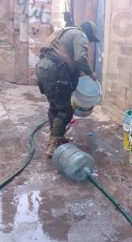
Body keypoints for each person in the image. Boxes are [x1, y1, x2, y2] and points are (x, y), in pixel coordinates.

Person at [36, 20, 99, 159]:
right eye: (90, 38)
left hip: (42, 68)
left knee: (54, 106)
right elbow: (80, 59)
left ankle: (55, 137)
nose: (89, 41)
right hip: (55, 71)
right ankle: (55, 144)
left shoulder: (65, 31)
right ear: (88, 32)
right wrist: (91, 73)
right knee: (65, 110)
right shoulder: (80, 35)